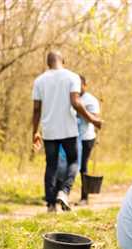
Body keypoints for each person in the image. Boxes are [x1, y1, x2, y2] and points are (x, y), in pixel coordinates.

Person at [32, 51, 102, 212]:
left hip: (49, 131)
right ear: (63, 60)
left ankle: (50, 205)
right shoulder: (72, 77)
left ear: (47, 63)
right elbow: (76, 102)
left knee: (51, 165)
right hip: (68, 130)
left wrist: (35, 133)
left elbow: (36, 110)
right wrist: (93, 120)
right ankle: (64, 192)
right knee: (74, 161)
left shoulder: (39, 80)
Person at [76, 74, 100, 205]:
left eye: (79, 84)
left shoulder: (91, 100)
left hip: (86, 137)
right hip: (72, 136)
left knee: (83, 167)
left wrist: (82, 111)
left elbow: (96, 119)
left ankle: (84, 197)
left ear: (85, 85)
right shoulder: (71, 97)